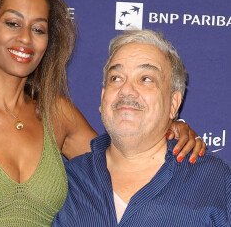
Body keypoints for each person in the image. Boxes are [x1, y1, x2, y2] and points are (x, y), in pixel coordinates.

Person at [0, 0, 204, 226]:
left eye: (38, 29)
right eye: (13, 23)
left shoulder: (56, 113)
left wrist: (167, 130)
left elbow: (121, 159)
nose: (25, 39)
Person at [52, 30, 231, 227]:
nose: (126, 90)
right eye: (116, 78)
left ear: (173, 103)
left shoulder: (215, 181)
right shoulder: (66, 181)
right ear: (103, 98)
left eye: (146, 79)